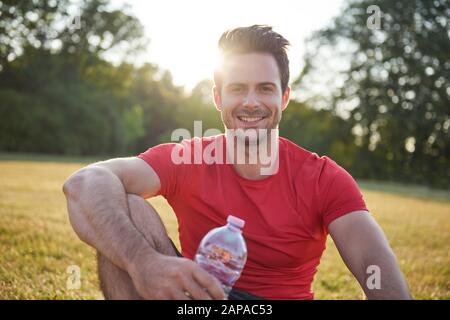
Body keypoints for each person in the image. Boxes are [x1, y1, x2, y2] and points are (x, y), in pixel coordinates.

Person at [62, 25, 411, 300]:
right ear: (218, 97)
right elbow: (84, 183)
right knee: (128, 208)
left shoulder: (322, 177)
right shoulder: (189, 157)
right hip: (199, 298)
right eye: (237, 88)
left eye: (265, 88)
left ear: (284, 97)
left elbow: (374, 266)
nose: (250, 102)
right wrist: (144, 263)